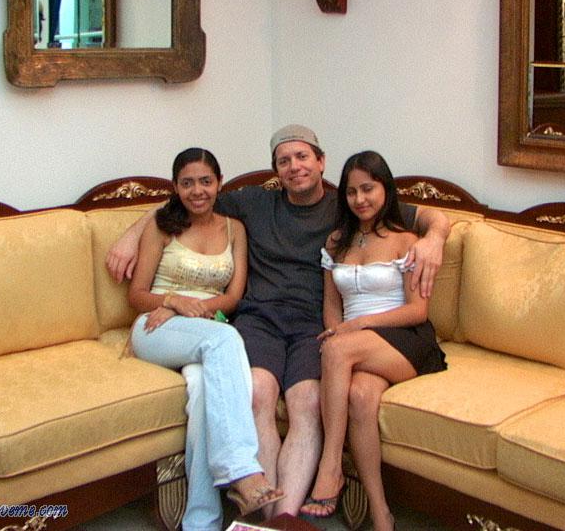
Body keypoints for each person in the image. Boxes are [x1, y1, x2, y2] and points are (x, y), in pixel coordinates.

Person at [107, 125, 450, 517]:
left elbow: (427, 217)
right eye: (284, 161)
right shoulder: (254, 202)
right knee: (257, 394)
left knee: (307, 404)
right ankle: (271, 517)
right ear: (276, 170)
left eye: (302, 157)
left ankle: (282, 518)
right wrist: (133, 234)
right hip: (259, 320)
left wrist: (435, 238)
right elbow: (191, 199)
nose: (294, 167)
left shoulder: (347, 204)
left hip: (312, 326)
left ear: (321, 162)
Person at [127, 147, 283, 531]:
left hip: (204, 325)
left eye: (205, 181)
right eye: (187, 183)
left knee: (201, 390)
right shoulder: (162, 226)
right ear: (175, 187)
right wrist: (172, 301)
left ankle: (201, 521)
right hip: (156, 327)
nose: (197, 191)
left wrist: (192, 309)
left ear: (219, 183)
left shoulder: (234, 229)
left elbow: (233, 297)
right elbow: (137, 295)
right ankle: (241, 468)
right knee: (226, 340)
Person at [300, 151, 446, 531]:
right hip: (358, 343)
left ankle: (330, 465)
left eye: (368, 189)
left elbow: (418, 311)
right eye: (351, 192)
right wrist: (340, 329)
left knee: (336, 348)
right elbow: (332, 307)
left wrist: (360, 325)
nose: (360, 199)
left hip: (405, 338)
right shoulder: (336, 241)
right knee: (361, 396)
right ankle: (382, 515)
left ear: (385, 189)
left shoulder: (406, 241)